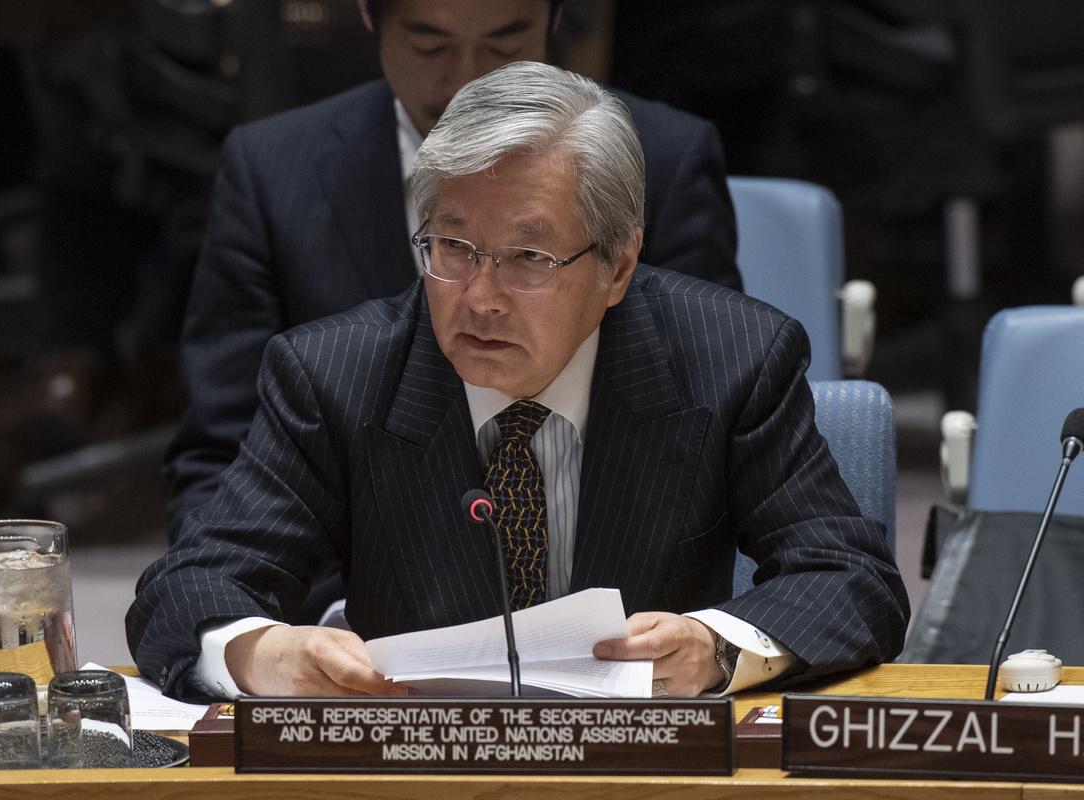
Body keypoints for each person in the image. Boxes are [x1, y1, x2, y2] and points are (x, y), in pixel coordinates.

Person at [127, 61, 908, 701]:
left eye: (529, 258)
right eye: (453, 248)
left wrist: (716, 647)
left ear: (618, 266)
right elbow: (189, 586)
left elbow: (850, 577)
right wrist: (262, 653)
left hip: (646, 771)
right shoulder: (336, 375)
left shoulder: (731, 359)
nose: (480, 297)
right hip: (417, 770)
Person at [164, 0, 743, 550]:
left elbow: (706, 421)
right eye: (430, 45)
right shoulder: (272, 172)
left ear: (554, 19)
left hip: (605, 573)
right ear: (371, 16)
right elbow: (222, 457)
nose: (467, 82)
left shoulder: (662, 158)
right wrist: (311, 609)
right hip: (343, 591)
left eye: (504, 44)